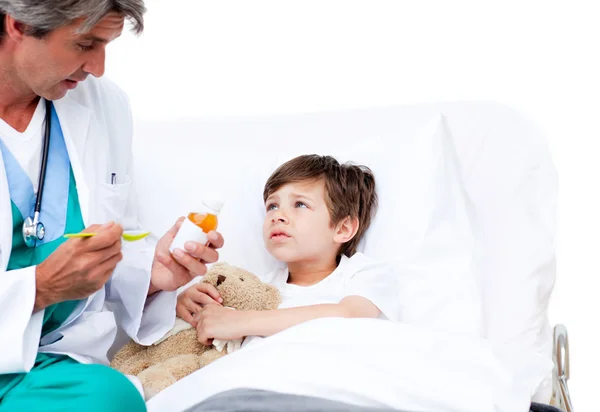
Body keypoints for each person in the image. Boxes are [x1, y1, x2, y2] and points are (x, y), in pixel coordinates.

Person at [0, 1, 224, 411]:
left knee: (111, 398)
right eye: (85, 43)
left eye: (106, 46)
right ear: (18, 25)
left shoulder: (105, 106)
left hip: (51, 364)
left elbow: (117, 234)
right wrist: (38, 288)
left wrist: (151, 274)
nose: (97, 67)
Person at [176, 154, 399, 348]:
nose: (277, 215)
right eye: (272, 206)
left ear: (343, 228)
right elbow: (215, 324)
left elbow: (348, 315)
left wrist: (240, 322)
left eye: (300, 204)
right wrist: (186, 305)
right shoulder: (258, 287)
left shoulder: (363, 274)